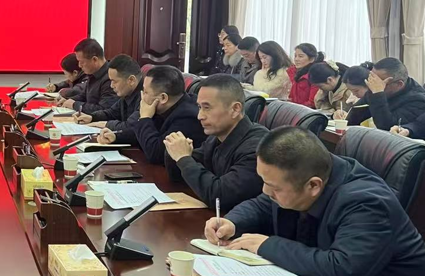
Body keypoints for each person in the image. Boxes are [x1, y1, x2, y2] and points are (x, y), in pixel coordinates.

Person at [204, 127, 425, 276]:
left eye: (273, 187)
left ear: (313, 185)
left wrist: (267, 245)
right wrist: (232, 222)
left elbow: (340, 271)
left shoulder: (367, 203)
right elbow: (264, 204)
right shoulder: (302, 176)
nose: (266, 191)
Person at [164, 75, 268, 210]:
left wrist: (183, 158)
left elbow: (220, 197)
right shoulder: (217, 136)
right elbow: (179, 176)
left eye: (207, 107)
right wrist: (174, 149)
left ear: (235, 109)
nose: (199, 116)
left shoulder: (258, 147)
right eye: (199, 107)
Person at [118, 65, 204, 163]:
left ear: (163, 98)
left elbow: (155, 153)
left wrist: (145, 117)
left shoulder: (187, 118)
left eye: (145, 92)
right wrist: (115, 137)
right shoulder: (167, 107)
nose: (142, 97)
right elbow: (141, 134)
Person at [346, 57, 425, 131]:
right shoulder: (377, 88)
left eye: (379, 82)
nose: (373, 85)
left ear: (399, 84)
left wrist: (378, 94)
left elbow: (387, 128)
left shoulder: (419, 101)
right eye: (372, 79)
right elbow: (355, 115)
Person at [75, 55, 142, 145]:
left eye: (114, 81)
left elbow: (131, 127)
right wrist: (92, 117)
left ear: (131, 80)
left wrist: (106, 124)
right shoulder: (127, 93)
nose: (111, 85)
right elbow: (111, 112)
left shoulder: (146, 96)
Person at [60, 38, 117, 114]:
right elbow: (84, 96)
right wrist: (69, 100)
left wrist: (74, 104)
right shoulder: (92, 74)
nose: (79, 66)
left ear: (94, 59)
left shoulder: (110, 77)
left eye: (81, 62)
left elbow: (104, 109)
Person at [289, 43, 325, 108]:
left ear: (311, 59)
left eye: (300, 56)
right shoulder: (294, 72)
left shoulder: (315, 75)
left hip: (307, 111)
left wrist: (293, 108)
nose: (296, 59)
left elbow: (312, 103)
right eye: (295, 56)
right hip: (295, 109)